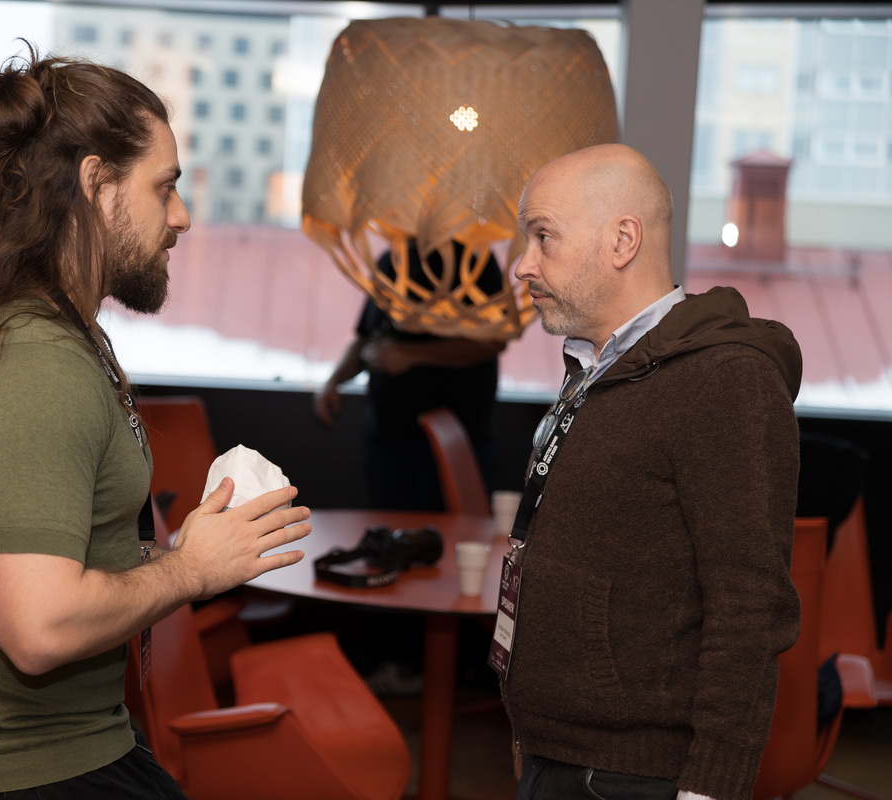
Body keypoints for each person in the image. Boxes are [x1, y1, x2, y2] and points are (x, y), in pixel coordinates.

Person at [0, 46, 311, 799]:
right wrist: (191, 570)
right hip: (15, 778)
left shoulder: (58, 337)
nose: (181, 216)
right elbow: (39, 628)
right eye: (164, 187)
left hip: (69, 752)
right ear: (95, 184)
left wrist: (180, 552)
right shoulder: (33, 365)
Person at [502, 143, 802, 800]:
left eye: (543, 236)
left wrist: (711, 789)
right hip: (558, 754)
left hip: (633, 777)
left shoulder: (725, 380)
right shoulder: (597, 369)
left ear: (623, 240)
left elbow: (749, 607)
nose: (523, 265)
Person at [314, 241, 506, 511]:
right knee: (389, 525)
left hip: (453, 437)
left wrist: (412, 354)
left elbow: (494, 341)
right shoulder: (390, 259)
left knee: (451, 528)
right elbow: (366, 336)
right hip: (386, 433)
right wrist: (334, 381)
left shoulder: (473, 260)